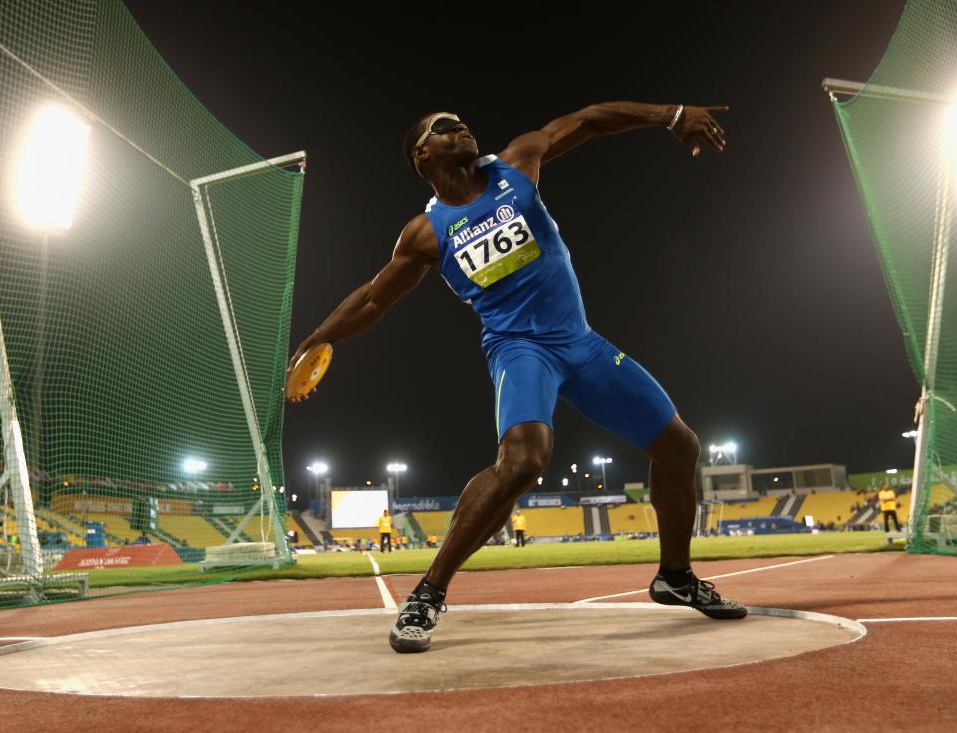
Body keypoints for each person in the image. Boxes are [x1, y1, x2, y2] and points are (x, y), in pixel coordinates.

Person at [288, 101, 744, 654]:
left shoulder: (517, 162)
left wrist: (671, 116)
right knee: (524, 460)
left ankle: (675, 576)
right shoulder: (425, 235)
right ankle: (428, 595)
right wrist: (316, 341)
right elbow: (373, 298)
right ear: (422, 153)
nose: (462, 127)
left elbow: (591, 120)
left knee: (680, 448)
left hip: (580, 343)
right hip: (520, 350)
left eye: (462, 121)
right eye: (444, 126)